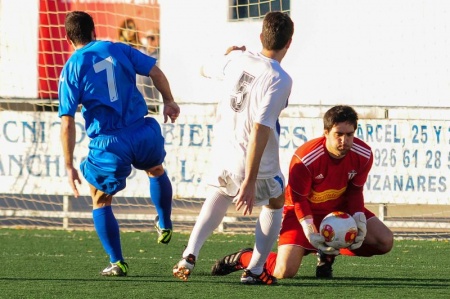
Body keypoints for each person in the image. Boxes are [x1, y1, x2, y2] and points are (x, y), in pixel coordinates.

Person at [172, 11, 294, 285]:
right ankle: (255, 269)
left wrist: (227, 54)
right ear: (289, 42)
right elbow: (261, 129)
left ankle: (189, 255)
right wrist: (250, 181)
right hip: (252, 162)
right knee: (276, 202)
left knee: (220, 193)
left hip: (223, 154)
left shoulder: (237, 58)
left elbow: (204, 68)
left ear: (261, 36)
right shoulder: (280, 78)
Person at [58, 11, 180, 277]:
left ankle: (118, 262)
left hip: (110, 142)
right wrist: (169, 100)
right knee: (156, 169)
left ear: (68, 38)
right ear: (94, 31)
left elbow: (67, 120)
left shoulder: (73, 66)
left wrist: (68, 164)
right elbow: (154, 71)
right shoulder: (117, 48)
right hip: (142, 130)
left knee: (100, 200)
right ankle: (165, 220)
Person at [211, 105, 394, 280]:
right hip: (302, 212)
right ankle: (244, 257)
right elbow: (299, 200)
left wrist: (358, 218)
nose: (344, 141)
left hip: (339, 210)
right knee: (283, 271)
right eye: (338, 134)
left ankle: (327, 250)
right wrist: (309, 229)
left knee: (384, 241)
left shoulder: (364, 154)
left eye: (349, 135)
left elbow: (355, 191)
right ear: (326, 133)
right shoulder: (305, 158)